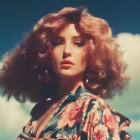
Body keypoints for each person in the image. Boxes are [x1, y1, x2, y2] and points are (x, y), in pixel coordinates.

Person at [0, 7, 131, 140]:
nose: (66, 51)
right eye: (58, 43)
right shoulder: (40, 109)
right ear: (46, 53)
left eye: (78, 43)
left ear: (93, 54)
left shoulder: (93, 108)